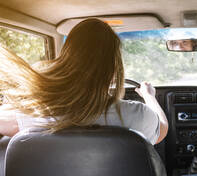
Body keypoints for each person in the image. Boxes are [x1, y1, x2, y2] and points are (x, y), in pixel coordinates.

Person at [0, 18, 168, 145]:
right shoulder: (136, 115)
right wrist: (149, 96)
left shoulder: (31, 112)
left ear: (65, 59)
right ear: (113, 67)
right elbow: (162, 130)